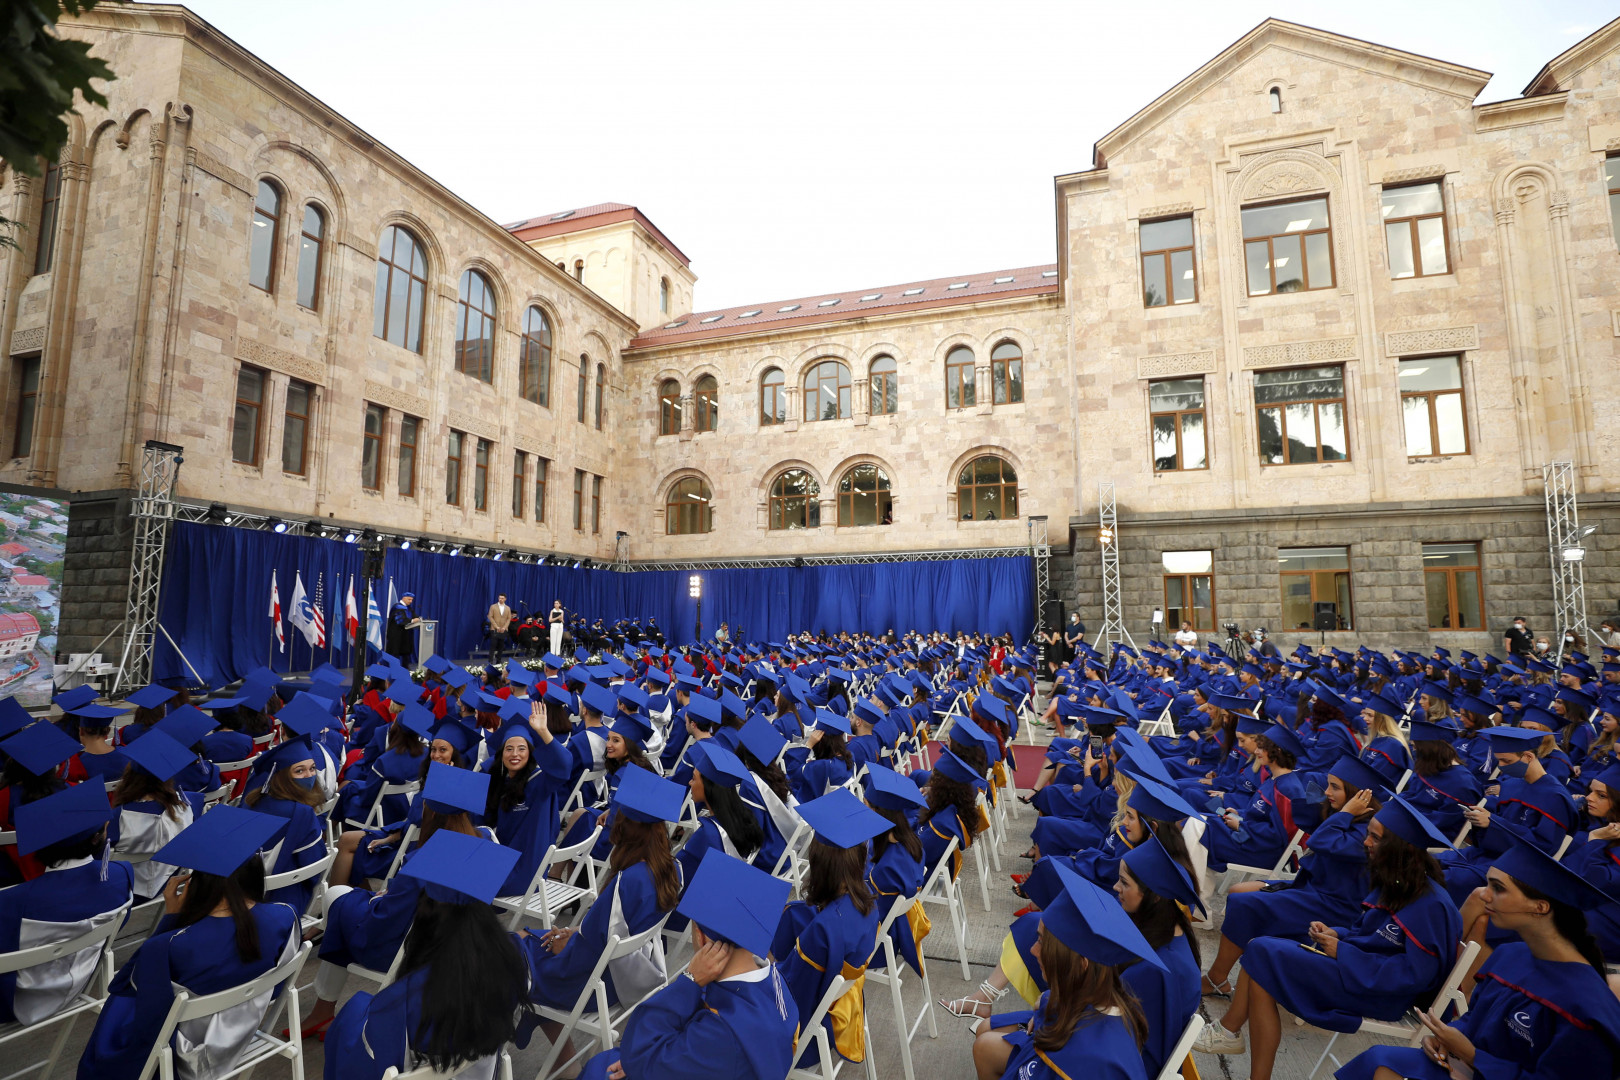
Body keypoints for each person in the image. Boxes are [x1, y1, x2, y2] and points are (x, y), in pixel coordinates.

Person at [1193, 797, 1464, 1080]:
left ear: (1403, 848)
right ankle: (1233, 1038)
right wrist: (1338, 933)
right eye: (1368, 833)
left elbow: (1414, 975)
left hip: (1382, 992)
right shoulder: (1396, 881)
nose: (1366, 843)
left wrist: (1344, 953)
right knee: (1259, 953)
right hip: (1356, 969)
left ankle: (1229, 1032)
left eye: (1375, 837)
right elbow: (1366, 933)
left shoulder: (1432, 905)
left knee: (1262, 952)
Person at [1336, 839, 1620, 1080]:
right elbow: (1475, 1020)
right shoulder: (1510, 956)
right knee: (1380, 1061)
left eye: (1498, 888)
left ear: (1540, 907)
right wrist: (1445, 1037)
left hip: (1484, 1071)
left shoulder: (1584, 1008)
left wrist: (1472, 1056)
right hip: (1467, 1067)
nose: (1483, 895)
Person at [76, 806, 302, 1080]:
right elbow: (277, 983)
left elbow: (128, 988)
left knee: (118, 1006)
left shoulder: (171, 945)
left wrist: (171, 918)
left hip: (187, 1051)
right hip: (245, 1027)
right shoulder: (285, 914)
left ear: (197, 883)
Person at [322, 830, 529, 1080]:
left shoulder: (403, 999)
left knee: (354, 1011)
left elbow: (374, 1062)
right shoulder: (512, 963)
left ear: (424, 921)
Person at [517, 764, 685, 1070]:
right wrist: (576, 934)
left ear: (627, 829)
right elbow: (606, 934)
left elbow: (585, 954)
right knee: (530, 939)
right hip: (622, 974)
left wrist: (566, 946)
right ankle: (566, 1068)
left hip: (594, 984)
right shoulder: (671, 869)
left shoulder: (629, 881)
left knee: (513, 947)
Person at [579, 851, 799, 1080]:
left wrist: (690, 980)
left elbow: (640, 1052)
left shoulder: (721, 1031)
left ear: (701, 937)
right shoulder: (779, 984)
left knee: (599, 1069)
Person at [971, 861, 1160, 1080]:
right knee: (985, 1034)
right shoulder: (1103, 997)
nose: (1033, 950)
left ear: (1081, 964)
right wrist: (1046, 1002)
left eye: (1042, 942)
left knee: (985, 1041)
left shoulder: (1086, 1063)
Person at [772, 789, 888, 1068]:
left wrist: (765, 965)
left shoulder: (822, 931)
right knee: (792, 916)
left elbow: (789, 991)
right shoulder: (869, 903)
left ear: (819, 864)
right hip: (842, 996)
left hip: (807, 1022)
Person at [0, 784, 134, 1025]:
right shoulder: (122, 875)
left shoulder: (11, 901)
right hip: (83, 981)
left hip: (12, 1004)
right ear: (96, 838)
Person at [386, 592, 417, 664]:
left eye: (412, 600)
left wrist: (416, 619)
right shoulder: (397, 607)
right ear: (404, 598)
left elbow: (416, 616)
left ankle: (404, 669)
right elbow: (400, 621)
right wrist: (412, 620)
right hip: (396, 634)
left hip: (405, 634)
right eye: (409, 599)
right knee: (394, 652)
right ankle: (393, 669)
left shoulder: (409, 608)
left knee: (405, 652)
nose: (411, 601)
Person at [488, 593, 514, 666]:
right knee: (493, 646)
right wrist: (497, 627)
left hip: (503, 629)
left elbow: (509, 618)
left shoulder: (508, 608)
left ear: (505, 599)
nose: (501, 599)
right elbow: (490, 617)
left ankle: (498, 662)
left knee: (501, 646)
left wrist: (504, 627)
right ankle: (490, 662)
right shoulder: (493, 606)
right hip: (494, 629)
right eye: (499, 598)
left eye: (502, 598)